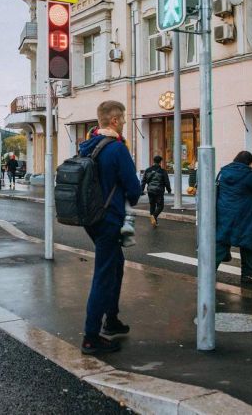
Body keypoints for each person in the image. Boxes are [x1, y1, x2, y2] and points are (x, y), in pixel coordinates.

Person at [78, 101, 142, 355]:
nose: (124, 122)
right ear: (114, 121)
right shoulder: (116, 148)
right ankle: (91, 337)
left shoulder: (88, 145)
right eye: (123, 118)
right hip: (108, 219)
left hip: (91, 217)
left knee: (116, 264)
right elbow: (133, 189)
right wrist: (130, 196)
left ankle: (112, 319)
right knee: (104, 274)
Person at [215, 151, 252, 284]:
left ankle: (208, 271)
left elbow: (217, 190)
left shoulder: (223, 172)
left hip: (225, 212)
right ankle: (248, 274)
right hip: (245, 214)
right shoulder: (249, 174)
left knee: (221, 240)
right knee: (248, 242)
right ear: (250, 162)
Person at [141, 155, 172, 228]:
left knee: (152, 205)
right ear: (160, 162)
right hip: (159, 190)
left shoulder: (148, 170)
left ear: (153, 161)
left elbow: (143, 181)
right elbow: (166, 182)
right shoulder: (162, 171)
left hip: (150, 190)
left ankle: (154, 221)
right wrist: (169, 190)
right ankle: (154, 216)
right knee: (160, 206)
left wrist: (141, 190)